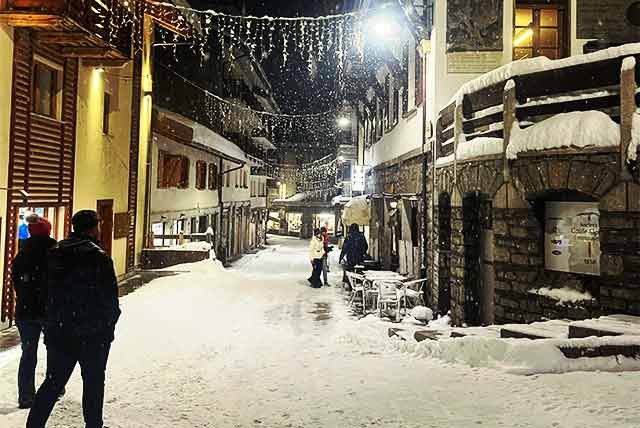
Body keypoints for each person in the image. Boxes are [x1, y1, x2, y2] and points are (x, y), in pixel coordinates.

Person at [27, 210, 121, 428]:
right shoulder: (99, 257)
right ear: (92, 228)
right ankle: (93, 425)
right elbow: (109, 299)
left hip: (61, 331)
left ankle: (34, 425)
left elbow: (42, 292)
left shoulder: (55, 253)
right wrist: (107, 327)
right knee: (93, 384)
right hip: (92, 334)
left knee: (52, 383)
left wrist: (51, 322)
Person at [11, 216, 57, 409]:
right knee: (55, 350)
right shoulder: (55, 253)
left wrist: (25, 297)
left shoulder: (22, 254)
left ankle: (26, 395)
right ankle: (54, 387)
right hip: (49, 310)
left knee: (28, 353)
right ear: (48, 231)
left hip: (25, 311)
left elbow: (16, 282)